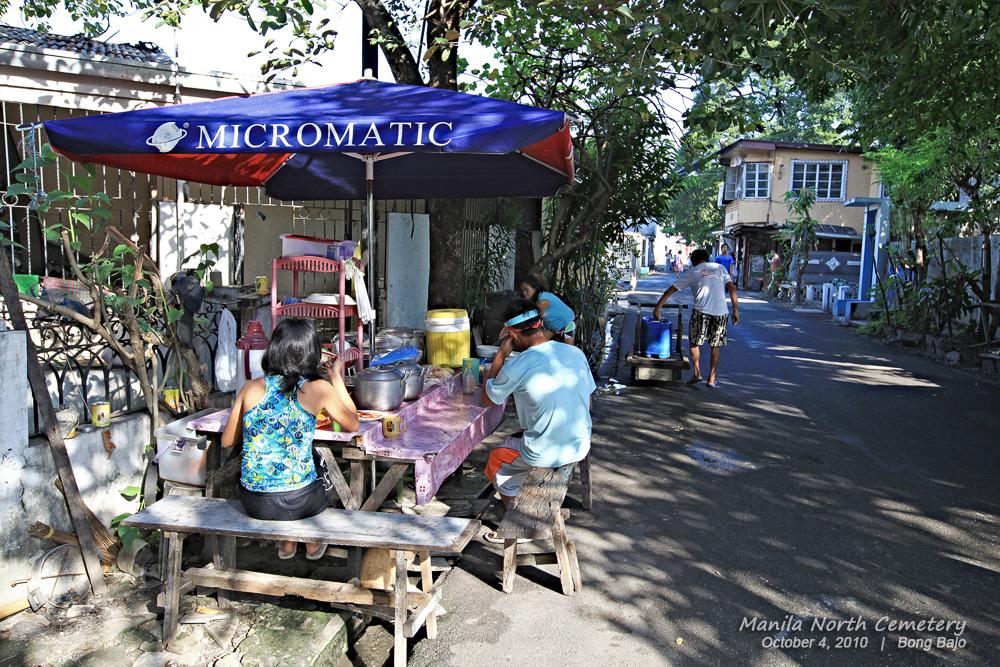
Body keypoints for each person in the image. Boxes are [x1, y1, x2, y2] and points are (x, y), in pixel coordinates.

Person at [222, 318, 360, 560]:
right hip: (301, 502)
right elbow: (353, 423)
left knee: (284, 473)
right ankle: (312, 544)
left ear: (274, 349)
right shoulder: (318, 388)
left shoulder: (250, 388)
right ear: (312, 353)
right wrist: (336, 378)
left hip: (255, 502)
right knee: (318, 466)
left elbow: (226, 441)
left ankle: (288, 544)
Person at [480, 299, 596, 542]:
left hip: (544, 453)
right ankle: (536, 503)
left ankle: (523, 523)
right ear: (540, 323)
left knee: (495, 459)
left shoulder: (519, 364)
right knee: (519, 440)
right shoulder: (575, 353)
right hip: (580, 444)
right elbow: (588, 402)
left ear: (510, 333)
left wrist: (501, 353)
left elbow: (488, 398)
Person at [653, 249, 740, 388]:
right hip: (721, 312)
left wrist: (658, 308)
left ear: (693, 261)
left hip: (701, 312)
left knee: (694, 342)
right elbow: (732, 288)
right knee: (715, 345)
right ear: (707, 258)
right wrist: (735, 310)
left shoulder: (692, 272)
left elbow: (671, 290)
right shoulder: (720, 268)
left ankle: (697, 373)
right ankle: (711, 379)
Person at [517, 275, 576, 344]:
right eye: (522, 290)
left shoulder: (543, 301)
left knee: (569, 350)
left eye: (526, 289)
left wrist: (515, 328)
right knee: (536, 344)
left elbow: (533, 319)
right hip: (552, 327)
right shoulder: (536, 298)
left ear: (534, 288)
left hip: (567, 324)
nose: (524, 293)